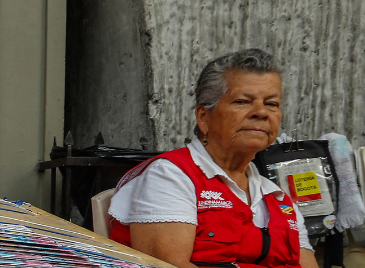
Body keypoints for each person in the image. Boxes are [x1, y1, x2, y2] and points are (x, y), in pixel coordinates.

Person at [107, 49, 319, 268]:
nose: (261, 112)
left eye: (271, 104)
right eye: (242, 101)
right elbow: (167, 266)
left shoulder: (276, 197)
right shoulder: (170, 176)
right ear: (204, 117)